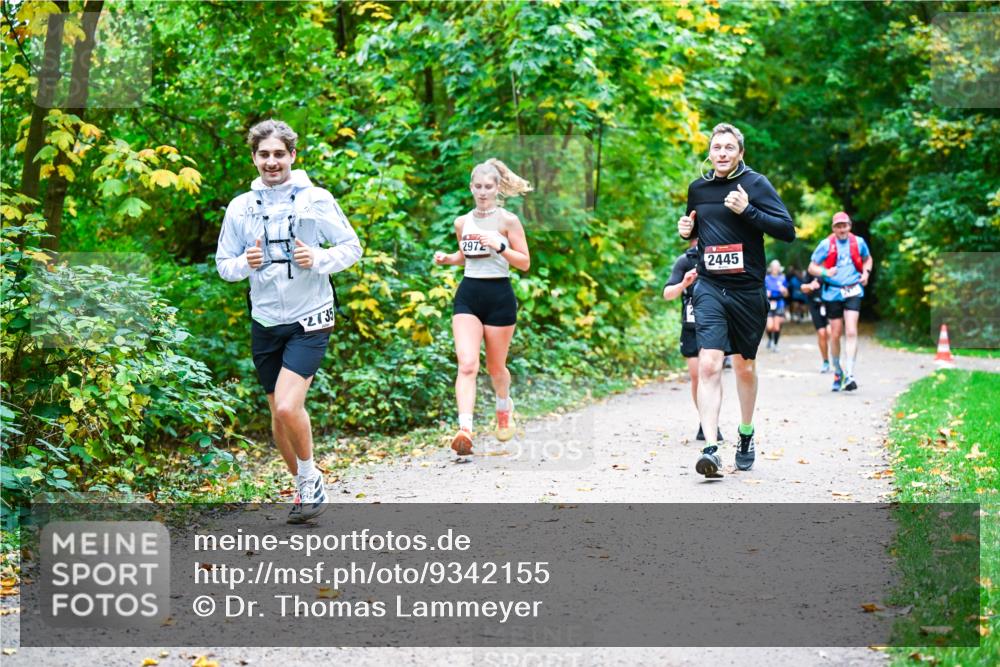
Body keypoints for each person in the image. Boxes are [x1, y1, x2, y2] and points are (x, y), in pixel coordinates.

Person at [216, 119, 362, 523]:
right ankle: (303, 486)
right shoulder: (240, 207)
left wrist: (319, 260)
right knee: (276, 414)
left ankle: (310, 478)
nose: (272, 161)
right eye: (264, 154)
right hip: (265, 320)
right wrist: (246, 263)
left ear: (293, 156)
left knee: (286, 405)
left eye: (279, 153)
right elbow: (223, 265)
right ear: (254, 159)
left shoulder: (315, 198)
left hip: (310, 316)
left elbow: (352, 247)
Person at [677, 123, 795, 478]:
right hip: (710, 287)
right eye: (717, 148)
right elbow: (700, 228)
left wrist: (749, 211)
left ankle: (746, 433)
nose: (723, 153)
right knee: (710, 364)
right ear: (709, 153)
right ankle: (711, 448)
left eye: (730, 147)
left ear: (741, 153)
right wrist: (687, 231)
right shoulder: (698, 188)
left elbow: (787, 230)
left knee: (744, 366)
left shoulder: (756, 185)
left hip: (747, 291)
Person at [433, 159, 532, 456]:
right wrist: (448, 259)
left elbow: (525, 263)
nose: (483, 192)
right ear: (471, 187)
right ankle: (465, 429)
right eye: (478, 187)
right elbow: (466, 256)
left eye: (488, 187)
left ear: (497, 188)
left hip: (499, 296)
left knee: (495, 367)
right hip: (469, 295)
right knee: (467, 364)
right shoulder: (462, 222)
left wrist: (500, 245)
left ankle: (504, 407)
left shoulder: (508, 221)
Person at [662, 237, 724, 442]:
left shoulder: (719, 256)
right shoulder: (685, 261)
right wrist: (683, 283)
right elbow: (667, 294)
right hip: (691, 327)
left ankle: (711, 423)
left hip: (714, 324)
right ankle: (703, 420)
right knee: (697, 376)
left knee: (711, 373)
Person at [807, 211, 873, 392]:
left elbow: (868, 260)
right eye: (838, 226)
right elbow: (812, 267)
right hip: (833, 293)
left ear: (849, 226)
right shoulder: (826, 244)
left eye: (845, 225)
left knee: (851, 330)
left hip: (852, 290)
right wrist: (825, 273)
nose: (842, 229)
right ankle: (838, 370)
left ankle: (850, 373)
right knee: (835, 334)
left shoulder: (858, 242)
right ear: (833, 228)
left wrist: (866, 273)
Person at [801, 276, 832, 373]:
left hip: (830, 304)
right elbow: (803, 288)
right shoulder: (811, 270)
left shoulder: (831, 267)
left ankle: (836, 358)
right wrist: (811, 286)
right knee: (822, 333)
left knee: (830, 332)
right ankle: (825, 361)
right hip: (815, 306)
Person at [764, 259, 789, 351]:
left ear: (779, 268)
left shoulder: (782, 278)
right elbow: (762, 291)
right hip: (769, 303)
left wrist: (784, 290)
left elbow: (787, 294)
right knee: (769, 326)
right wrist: (766, 293)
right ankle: (770, 339)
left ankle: (775, 344)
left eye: (777, 267)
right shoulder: (766, 278)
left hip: (779, 303)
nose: (775, 269)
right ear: (771, 268)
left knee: (776, 326)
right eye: (774, 267)